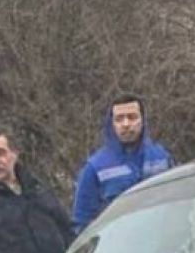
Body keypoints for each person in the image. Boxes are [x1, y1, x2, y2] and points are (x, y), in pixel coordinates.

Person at [72, 94, 175, 231]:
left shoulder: (161, 158)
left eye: (132, 117)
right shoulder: (96, 168)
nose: (126, 124)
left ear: (142, 121)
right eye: (119, 119)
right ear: (112, 124)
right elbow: (82, 222)